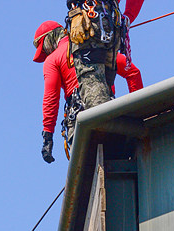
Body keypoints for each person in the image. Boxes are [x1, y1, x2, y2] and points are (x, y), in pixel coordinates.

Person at [33, 19, 144, 162]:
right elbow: (133, 72)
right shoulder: (93, 46)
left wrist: (48, 136)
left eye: (44, 48)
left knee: (88, 172)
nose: (46, 52)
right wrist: (137, 111)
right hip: (111, 114)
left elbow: (51, 98)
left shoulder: (53, 60)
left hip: (81, 120)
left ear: (50, 39)